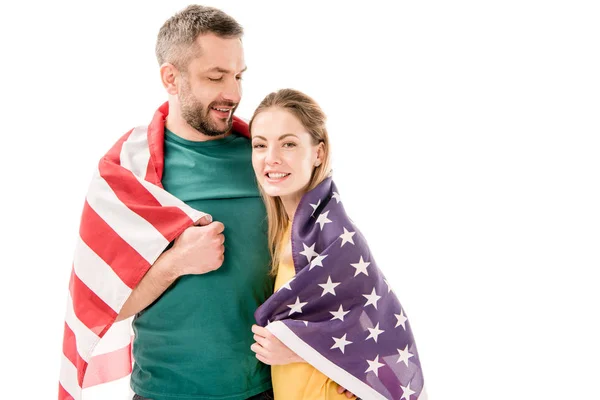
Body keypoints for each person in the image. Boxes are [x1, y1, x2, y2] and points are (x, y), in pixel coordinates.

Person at [59, 5, 274, 400]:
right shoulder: (127, 170)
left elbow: (318, 269)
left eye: (239, 75)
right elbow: (104, 306)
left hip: (262, 389)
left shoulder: (266, 159)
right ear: (171, 78)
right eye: (216, 77)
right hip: (161, 392)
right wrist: (176, 263)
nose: (235, 93)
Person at [248, 89, 426, 400]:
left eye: (288, 143)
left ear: (318, 153)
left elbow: (384, 329)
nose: (271, 158)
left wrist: (299, 350)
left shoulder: (336, 238)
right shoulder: (285, 233)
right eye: (260, 144)